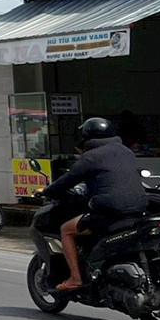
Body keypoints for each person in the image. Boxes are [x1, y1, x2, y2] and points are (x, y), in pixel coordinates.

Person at [45, 115, 148, 292]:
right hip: (139, 209)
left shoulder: (90, 157)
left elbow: (65, 182)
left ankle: (75, 279)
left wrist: (46, 192)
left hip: (110, 212)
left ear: (85, 138)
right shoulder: (126, 152)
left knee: (66, 230)